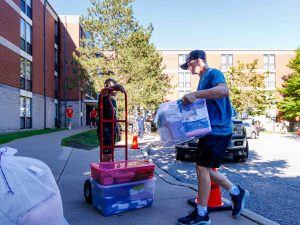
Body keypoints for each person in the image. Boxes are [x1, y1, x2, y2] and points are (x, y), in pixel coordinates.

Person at [177, 50, 249, 225]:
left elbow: (224, 90)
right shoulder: (202, 81)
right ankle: (236, 192)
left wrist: (196, 94)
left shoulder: (213, 73)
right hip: (210, 131)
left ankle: (202, 214)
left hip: (219, 130)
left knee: (202, 169)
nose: (188, 69)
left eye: (188, 65)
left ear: (197, 61)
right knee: (204, 169)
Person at [97, 78, 125, 162]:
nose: (116, 90)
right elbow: (104, 91)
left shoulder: (113, 101)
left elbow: (114, 117)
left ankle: (107, 172)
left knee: (110, 155)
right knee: (107, 155)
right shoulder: (102, 96)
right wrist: (116, 86)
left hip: (112, 129)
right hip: (105, 130)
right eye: (113, 87)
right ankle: (102, 172)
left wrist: (118, 131)